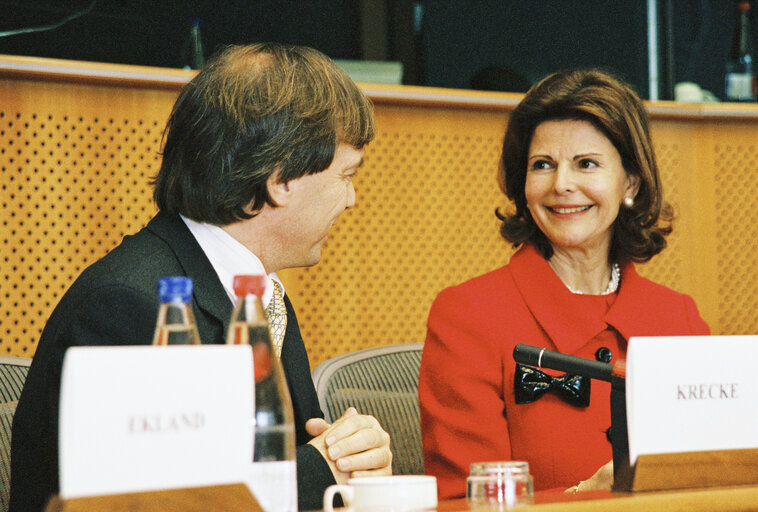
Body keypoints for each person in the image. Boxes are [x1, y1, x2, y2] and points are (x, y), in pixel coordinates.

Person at [11, 43, 392, 512]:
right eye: (346, 175)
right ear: (280, 179)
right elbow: (160, 502)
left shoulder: (262, 293)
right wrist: (323, 470)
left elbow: (294, 455)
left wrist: (355, 460)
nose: (351, 200)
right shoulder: (126, 305)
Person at [418, 69, 710, 499]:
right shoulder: (468, 314)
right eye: (543, 166)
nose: (561, 185)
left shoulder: (679, 317)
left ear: (629, 181)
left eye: (586, 164)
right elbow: (463, 503)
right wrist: (580, 499)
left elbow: (716, 481)